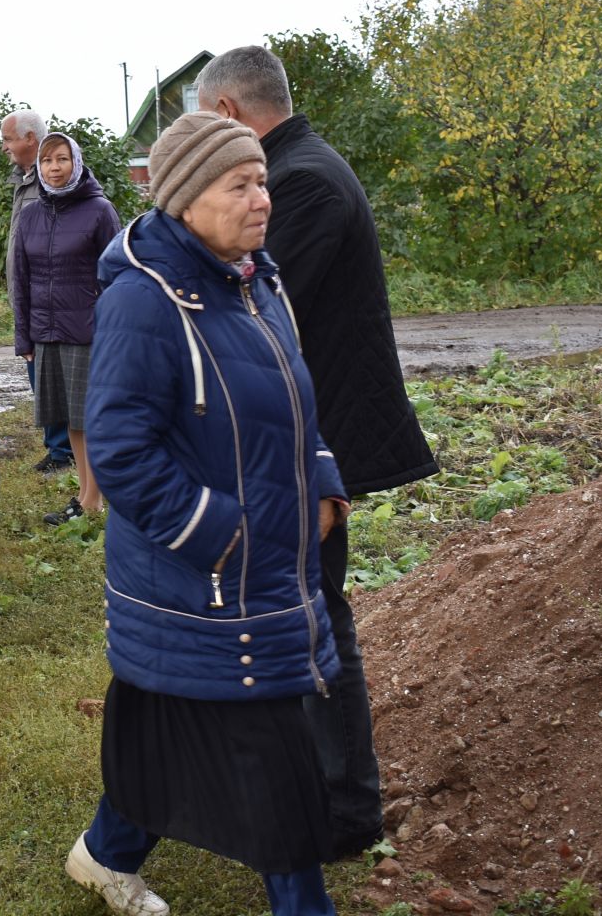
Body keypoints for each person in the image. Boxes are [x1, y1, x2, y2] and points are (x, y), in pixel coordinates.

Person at [65, 112, 350, 916]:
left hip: (261, 568)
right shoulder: (144, 304)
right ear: (189, 198)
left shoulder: (258, 279)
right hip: (209, 579)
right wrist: (222, 534)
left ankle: (106, 853)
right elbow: (120, 451)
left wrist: (323, 478)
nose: (263, 198)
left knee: (165, 728)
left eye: (262, 179)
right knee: (279, 775)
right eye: (241, 184)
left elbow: (293, 401)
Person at [197, 44, 437, 857]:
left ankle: (343, 808)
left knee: (312, 620)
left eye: (203, 124)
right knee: (299, 611)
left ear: (228, 114)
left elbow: (247, 296)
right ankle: (315, 789)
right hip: (306, 438)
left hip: (314, 444)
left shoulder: (299, 182)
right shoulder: (300, 167)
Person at [11, 131, 121, 527]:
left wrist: (114, 330)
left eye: (61, 159)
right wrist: (24, 335)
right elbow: (20, 278)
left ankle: (93, 498)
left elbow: (117, 275)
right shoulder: (31, 215)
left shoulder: (99, 210)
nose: (53, 168)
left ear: (76, 161)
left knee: (90, 417)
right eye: (45, 161)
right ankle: (86, 496)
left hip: (88, 330)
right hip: (46, 331)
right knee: (69, 417)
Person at [2, 108, 74, 475]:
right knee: (38, 370)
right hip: (28, 294)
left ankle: (64, 451)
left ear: (30, 138)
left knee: (57, 374)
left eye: (8, 138)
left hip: (53, 296)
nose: (4, 147)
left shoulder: (54, 180)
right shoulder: (25, 179)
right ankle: (58, 447)